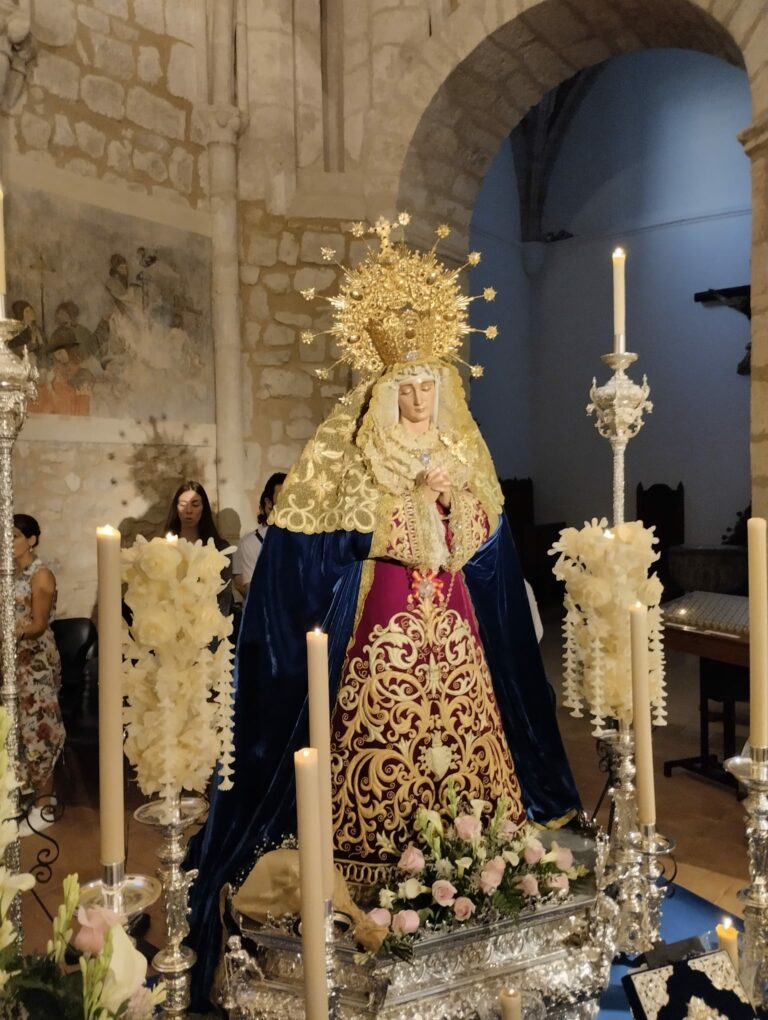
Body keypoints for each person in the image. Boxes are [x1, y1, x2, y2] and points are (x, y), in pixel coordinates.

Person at [186, 218, 579, 1008]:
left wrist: (449, 503)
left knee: (469, 742)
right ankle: (370, 874)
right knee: (371, 749)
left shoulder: (461, 459)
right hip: (381, 635)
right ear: (382, 391)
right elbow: (320, 550)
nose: (417, 401)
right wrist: (392, 522)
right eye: (405, 389)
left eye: (429, 389)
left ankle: (480, 862)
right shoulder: (349, 460)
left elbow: (482, 547)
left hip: (453, 631)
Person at [12, 514, 64, 831]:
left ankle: (46, 801)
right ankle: (23, 794)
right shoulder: (8, 574)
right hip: (12, 663)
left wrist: (9, 634)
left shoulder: (40, 574)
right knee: (15, 728)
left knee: (39, 726)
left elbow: (38, 623)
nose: (9, 541)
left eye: (15, 535)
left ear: (31, 539)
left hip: (35, 662)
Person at [164, 481, 234, 618]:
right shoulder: (165, 546)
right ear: (176, 508)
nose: (188, 511)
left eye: (195, 505)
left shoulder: (220, 549)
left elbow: (224, 598)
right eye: (183, 505)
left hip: (206, 625)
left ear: (203, 508)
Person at [232, 473, 286, 599]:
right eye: (283, 497)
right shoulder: (251, 543)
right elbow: (244, 586)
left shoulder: (307, 539)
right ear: (268, 503)